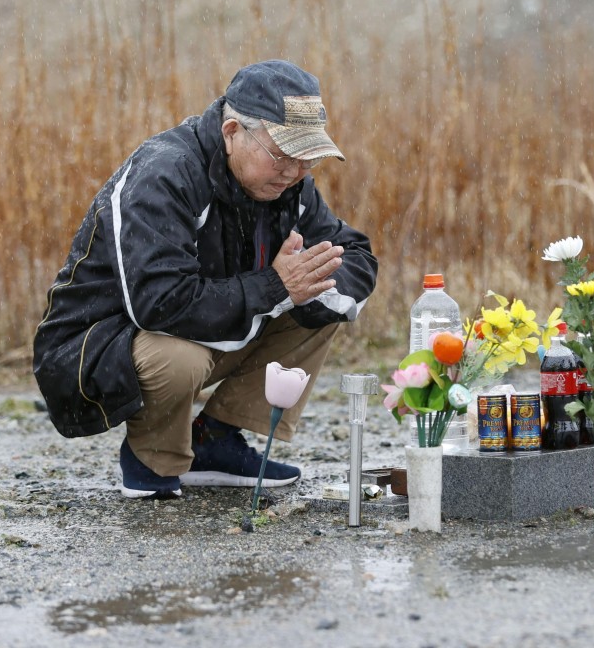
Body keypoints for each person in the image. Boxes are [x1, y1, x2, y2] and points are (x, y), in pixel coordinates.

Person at [33, 60, 377, 499]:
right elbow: (159, 304)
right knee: (180, 356)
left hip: (203, 323)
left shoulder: (285, 184)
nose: (295, 171)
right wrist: (275, 287)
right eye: (283, 153)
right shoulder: (164, 174)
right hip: (93, 346)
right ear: (232, 132)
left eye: (308, 157)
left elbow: (356, 256)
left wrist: (310, 288)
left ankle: (213, 440)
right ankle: (152, 461)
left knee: (319, 288)